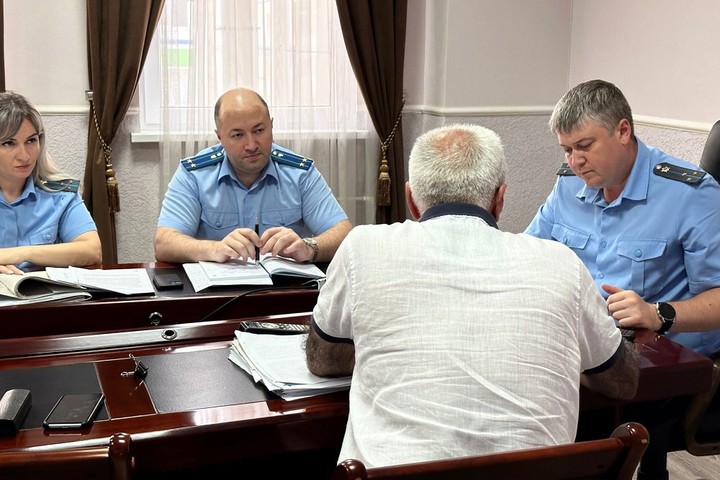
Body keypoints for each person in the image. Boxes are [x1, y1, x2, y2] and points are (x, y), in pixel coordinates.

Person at [305, 123, 639, 469]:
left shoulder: (362, 247)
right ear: (499, 199)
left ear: (411, 201)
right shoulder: (563, 263)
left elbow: (323, 361)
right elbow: (622, 382)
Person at [525, 79, 720, 480]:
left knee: (575, 426)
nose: (575, 161)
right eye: (566, 149)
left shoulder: (691, 193)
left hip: (658, 361)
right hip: (586, 343)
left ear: (623, 130)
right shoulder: (568, 185)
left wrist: (657, 313)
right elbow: (529, 253)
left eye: (584, 145)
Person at [154, 87, 352, 265]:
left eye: (259, 130)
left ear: (271, 125)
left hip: (284, 288)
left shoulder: (299, 173)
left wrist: (309, 247)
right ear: (220, 137)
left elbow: (345, 235)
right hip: (217, 290)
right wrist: (215, 249)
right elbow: (164, 243)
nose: (251, 145)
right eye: (237, 135)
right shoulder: (194, 174)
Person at [0, 91, 101, 274]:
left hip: (42, 291)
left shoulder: (60, 194)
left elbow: (92, 251)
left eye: (31, 140)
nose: (24, 156)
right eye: (9, 143)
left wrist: (20, 254)